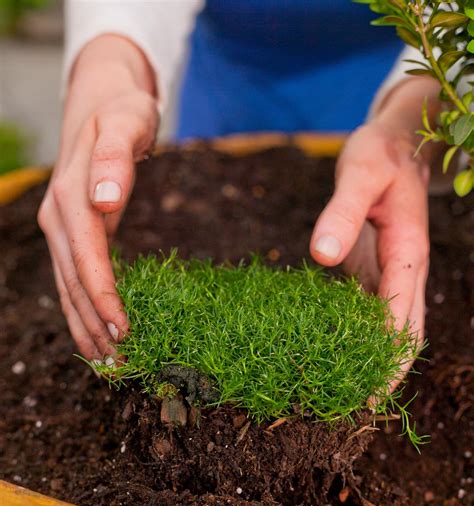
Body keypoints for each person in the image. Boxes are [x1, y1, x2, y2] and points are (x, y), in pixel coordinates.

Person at [38, 0, 440, 377]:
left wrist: (410, 127)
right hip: (233, 88)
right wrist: (108, 68)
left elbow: (458, 28)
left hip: (393, 85)